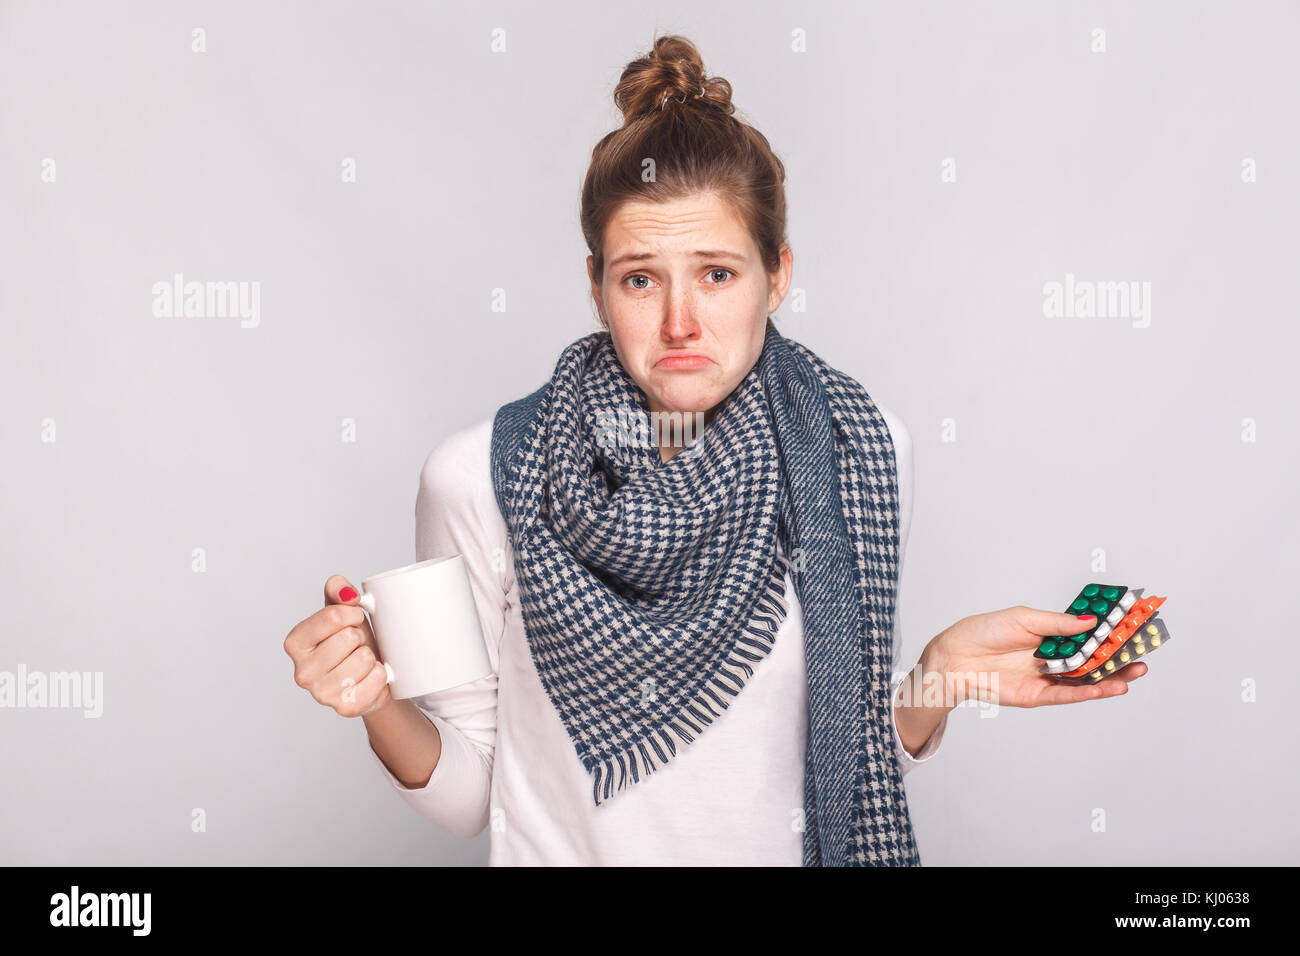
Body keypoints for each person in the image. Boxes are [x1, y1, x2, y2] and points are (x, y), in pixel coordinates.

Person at [282, 34, 1147, 866]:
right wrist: (377, 702)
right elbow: (472, 796)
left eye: (718, 273)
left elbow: (841, 770)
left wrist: (937, 678)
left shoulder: (860, 446)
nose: (680, 322)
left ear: (780, 274)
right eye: (640, 277)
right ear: (596, 286)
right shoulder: (479, 475)